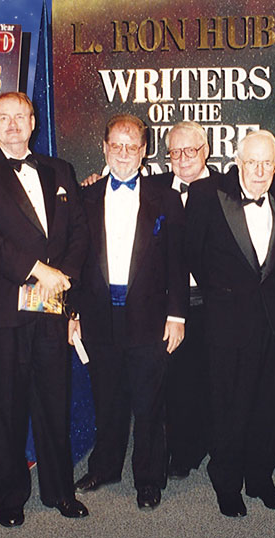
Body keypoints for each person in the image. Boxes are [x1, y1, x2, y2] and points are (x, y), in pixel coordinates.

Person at [0, 92, 89, 526]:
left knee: (54, 401)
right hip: (2, 310)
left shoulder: (60, 169)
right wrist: (38, 270)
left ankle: (60, 492)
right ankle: (10, 499)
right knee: (8, 405)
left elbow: (79, 235)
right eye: (4, 117)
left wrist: (62, 277)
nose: (13, 124)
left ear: (33, 122)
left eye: (20, 116)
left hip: (52, 306)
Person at [71, 114, 187, 510]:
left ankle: (149, 478)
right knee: (107, 398)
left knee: (149, 402)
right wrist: (72, 314)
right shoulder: (84, 196)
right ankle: (105, 466)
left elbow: (177, 261)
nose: (123, 153)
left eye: (131, 146)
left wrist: (177, 316)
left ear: (144, 151)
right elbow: (75, 261)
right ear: (104, 148)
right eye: (115, 145)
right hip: (98, 317)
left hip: (150, 318)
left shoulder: (165, 196)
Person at [185, 129, 275, 517]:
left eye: (268, 163)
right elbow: (192, 255)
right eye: (252, 162)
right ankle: (228, 484)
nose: (260, 170)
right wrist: (223, 293)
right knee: (227, 406)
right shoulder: (206, 195)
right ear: (237, 162)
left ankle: (261, 479)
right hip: (227, 321)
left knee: (270, 406)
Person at [149, 120, 214, 480]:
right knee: (171, 381)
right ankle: (179, 451)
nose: (183, 158)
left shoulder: (225, 189)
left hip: (209, 303)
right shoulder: (154, 188)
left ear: (205, 151)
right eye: (176, 151)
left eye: (191, 150)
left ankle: (203, 444)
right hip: (166, 303)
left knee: (205, 378)